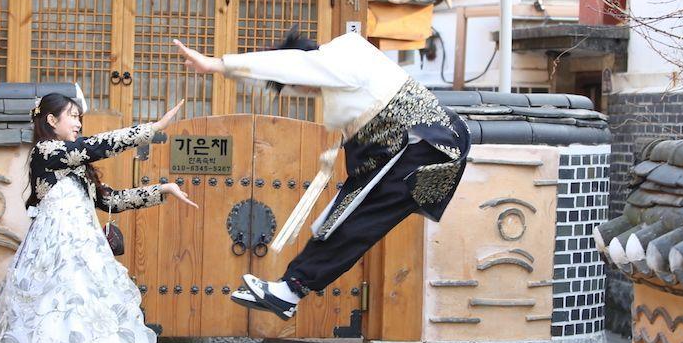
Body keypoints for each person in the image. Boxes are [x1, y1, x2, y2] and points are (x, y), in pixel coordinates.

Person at [174, 28, 471, 321]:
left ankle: (291, 289)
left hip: (424, 146)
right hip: (413, 150)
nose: (310, 92)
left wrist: (217, 65)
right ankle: (290, 290)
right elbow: (292, 75)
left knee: (354, 221)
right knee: (340, 220)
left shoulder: (341, 57)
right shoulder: (343, 69)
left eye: (304, 84)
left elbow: (294, 67)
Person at [0, 91, 196, 343]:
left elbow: (112, 201)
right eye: (71, 116)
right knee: (54, 324)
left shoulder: (76, 168)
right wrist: (153, 128)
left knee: (86, 326)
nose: (77, 123)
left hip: (84, 254)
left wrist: (161, 190)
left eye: (79, 118)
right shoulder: (47, 153)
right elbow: (97, 146)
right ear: (51, 121)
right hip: (54, 255)